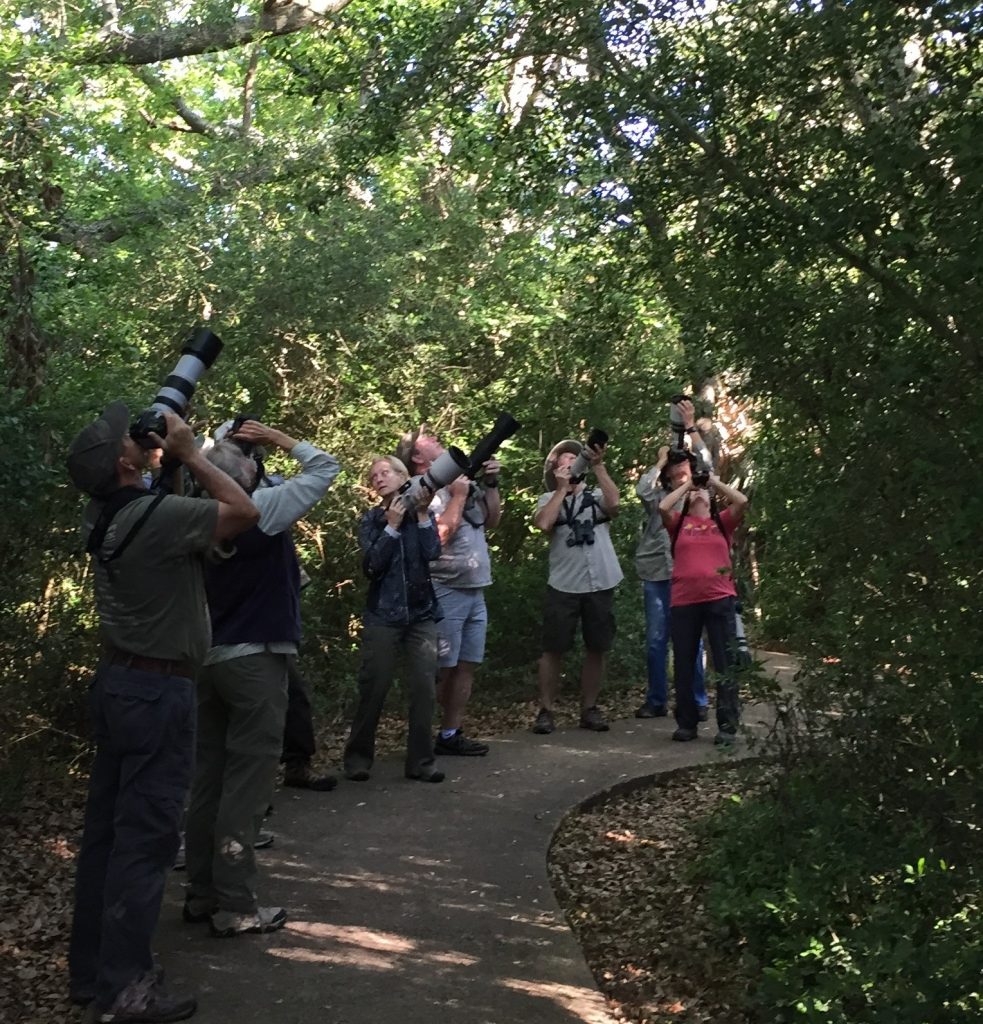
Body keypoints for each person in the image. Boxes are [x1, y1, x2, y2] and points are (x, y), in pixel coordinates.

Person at [66, 404, 259, 1023]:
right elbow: (243, 512)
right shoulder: (159, 516)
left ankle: (93, 972)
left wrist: (165, 462)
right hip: (158, 694)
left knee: (104, 836)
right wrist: (192, 455)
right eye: (132, 438)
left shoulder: (105, 514)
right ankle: (126, 989)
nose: (139, 437)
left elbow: (158, 514)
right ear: (125, 462)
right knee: (145, 843)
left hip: (119, 684)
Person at [183, 421, 339, 937]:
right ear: (248, 476)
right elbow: (324, 468)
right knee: (247, 785)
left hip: (209, 658)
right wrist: (278, 437)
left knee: (208, 778)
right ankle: (235, 903)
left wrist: (212, 448)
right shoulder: (261, 511)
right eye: (250, 460)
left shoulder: (196, 514)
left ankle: (202, 894)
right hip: (255, 660)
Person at [399, 429, 501, 756]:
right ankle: (421, 738)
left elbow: (492, 520)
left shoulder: (458, 482)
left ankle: (450, 734)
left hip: (475, 588)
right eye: (431, 441)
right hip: (444, 588)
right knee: (442, 667)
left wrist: (491, 485)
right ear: (417, 456)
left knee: (466, 664)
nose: (440, 442)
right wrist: (457, 495)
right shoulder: (420, 490)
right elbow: (437, 539)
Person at [343, 456, 445, 783]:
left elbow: (433, 554)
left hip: (421, 614)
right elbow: (372, 566)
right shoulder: (372, 520)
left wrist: (423, 513)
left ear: (404, 478)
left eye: (386, 472)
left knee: (424, 688)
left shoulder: (421, 515)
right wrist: (391, 527)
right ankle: (358, 760)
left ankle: (421, 763)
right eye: (374, 476)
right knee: (374, 686)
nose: (379, 478)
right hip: (383, 616)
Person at [531, 435, 623, 735]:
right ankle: (546, 710)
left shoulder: (595, 495)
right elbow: (544, 524)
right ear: (554, 470)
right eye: (562, 463)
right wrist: (561, 490)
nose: (569, 466)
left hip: (601, 580)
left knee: (597, 647)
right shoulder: (548, 499)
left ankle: (590, 708)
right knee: (553, 649)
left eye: (574, 460)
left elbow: (614, 504)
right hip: (564, 584)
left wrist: (598, 467)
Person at [634, 397, 711, 720]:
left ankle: (696, 701)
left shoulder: (699, 494)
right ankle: (656, 700)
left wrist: (690, 428)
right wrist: (659, 460)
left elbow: (707, 462)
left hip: (689, 576)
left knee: (691, 643)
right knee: (656, 641)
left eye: (684, 467)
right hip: (657, 573)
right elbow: (641, 490)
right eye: (675, 468)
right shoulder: (659, 496)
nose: (681, 471)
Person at [659, 470, 749, 743]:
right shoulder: (678, 523)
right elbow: (663, 506)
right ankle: (686, 723)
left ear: (711, 499)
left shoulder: (722, 523)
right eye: (694, 493)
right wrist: (688, 484)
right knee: (685, 664)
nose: (698, 493)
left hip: (720, 599)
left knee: (724, 662)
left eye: (703, 492)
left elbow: (742, 502)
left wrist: (712, 482)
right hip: (684, 602)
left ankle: (727, 725)